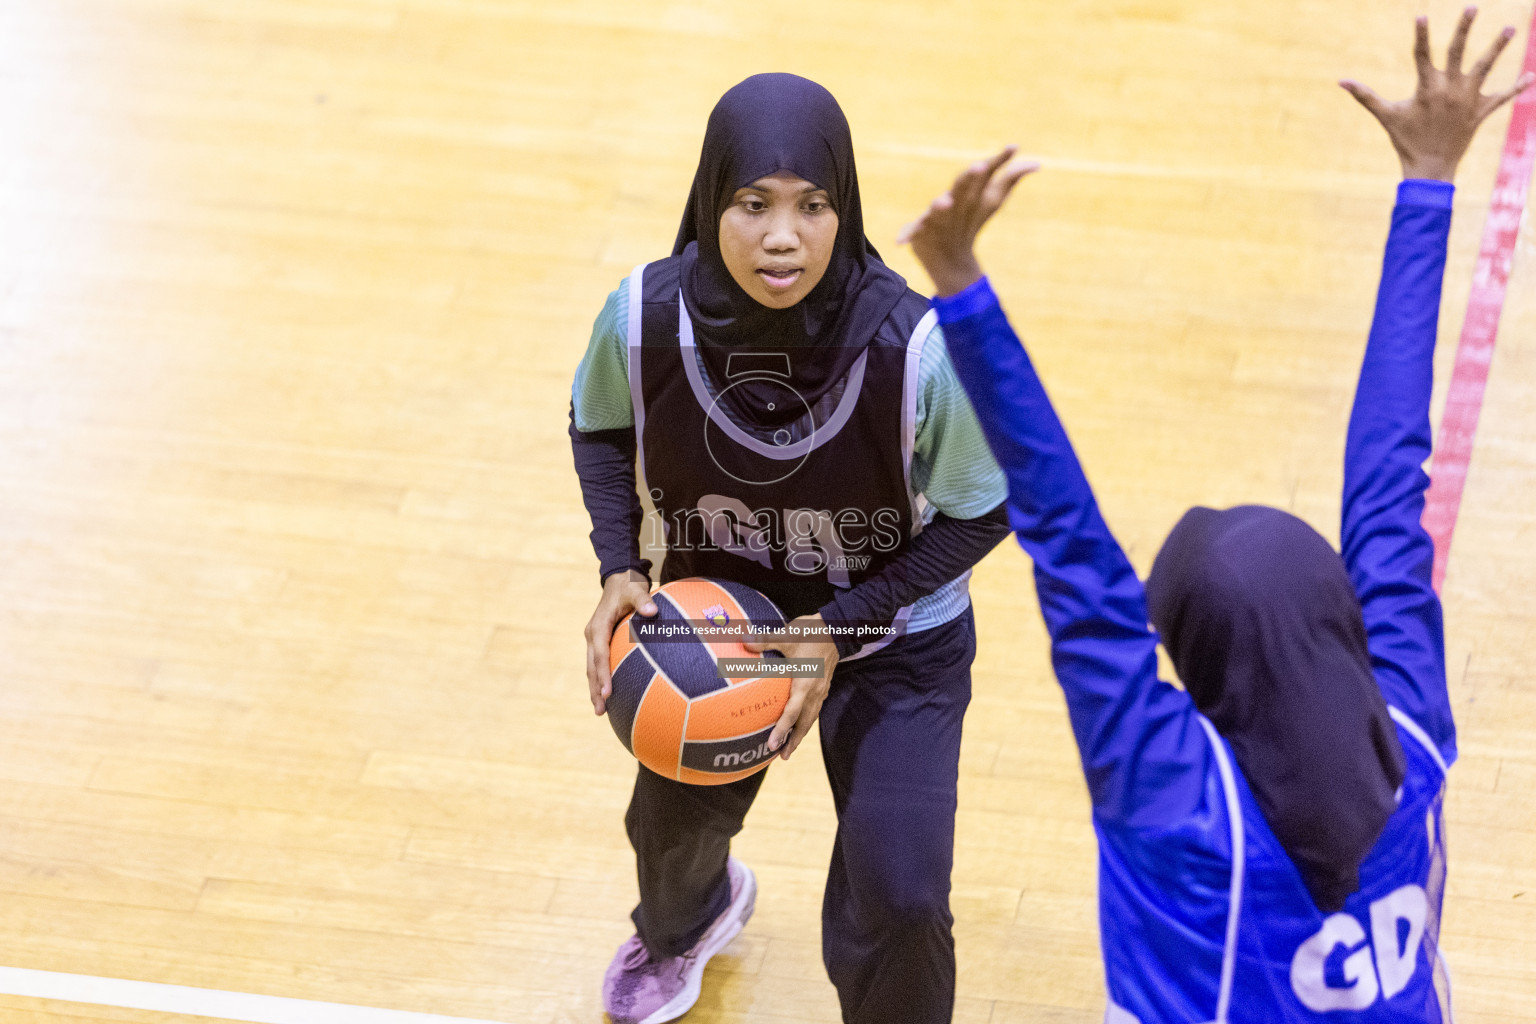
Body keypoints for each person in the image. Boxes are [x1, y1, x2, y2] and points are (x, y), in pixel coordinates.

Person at [899, 10, 1533, 1022]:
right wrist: (1429, 182)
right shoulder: (1407, 730)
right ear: (1341, 618)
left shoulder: (1177, 802)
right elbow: (1388, 482)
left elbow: (1079, 553)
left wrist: (961, 296)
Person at [570, 73, 1013, 1024]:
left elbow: (986, 510)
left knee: (902, 894)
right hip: (726, 625)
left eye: (814, 206)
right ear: (710, 198)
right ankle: (687, 925)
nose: (784, 236)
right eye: (753, 203)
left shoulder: (916, 347)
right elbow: (599, 425)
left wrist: (837, 626)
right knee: (667, 833)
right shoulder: (642, 317)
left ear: (843, 205)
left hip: (892, 635)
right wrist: (620, 564)